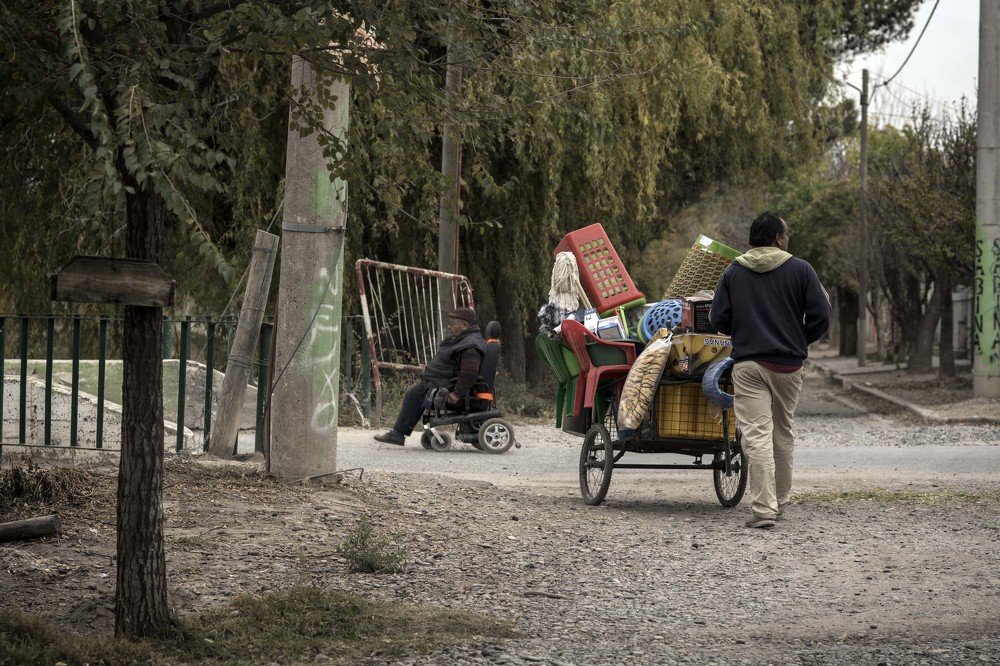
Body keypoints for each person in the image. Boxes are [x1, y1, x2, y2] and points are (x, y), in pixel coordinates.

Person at [709, 212, 831, 529]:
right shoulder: (801, 270)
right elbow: (821, 316)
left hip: (749, 365)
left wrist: (745, 330)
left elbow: (718, 317)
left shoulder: (733, 272)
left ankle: (765, 509)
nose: (787, 239)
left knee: (757, 436)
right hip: (789, 367)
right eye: (785, 234)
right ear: (778, 238)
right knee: (782, 432)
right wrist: (799, 339)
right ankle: (782, 501)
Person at [373, 307, 487, 446]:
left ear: (465, 325)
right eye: (449, 323)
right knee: (414, 394)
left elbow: (469, 372)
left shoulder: (470, 345)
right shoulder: (463, 339)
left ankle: (397, 434)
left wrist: (457, 394)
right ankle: (398, 434)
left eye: (452, 324)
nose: (449, 327)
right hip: (438, 382)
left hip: (448, 387)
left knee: (414, 395)